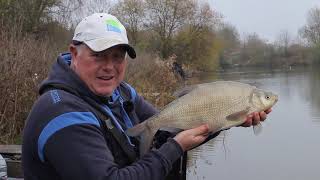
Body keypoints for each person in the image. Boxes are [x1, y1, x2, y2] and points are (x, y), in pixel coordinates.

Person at [22, 13, 271, 180]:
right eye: (99, 55)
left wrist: (224, 120)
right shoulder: (62, 113)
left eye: (118, 56)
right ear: (74, 54)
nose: (109, 66)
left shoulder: (121, 92)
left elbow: (167, 133)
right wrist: (175, 148)